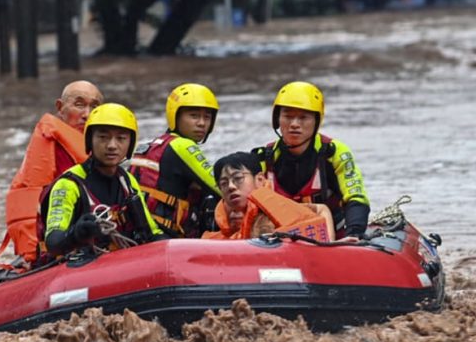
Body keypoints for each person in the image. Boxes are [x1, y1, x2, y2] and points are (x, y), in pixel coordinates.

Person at [0, 80, 104, 268]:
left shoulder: (108, 149)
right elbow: (33, 204)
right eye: (79, 105)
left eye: (94, 107)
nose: (87, 114)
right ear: (60, 108)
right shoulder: (49, 145)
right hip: (58, 245)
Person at [42, 103, 164, 256]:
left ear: (130, 143)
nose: (112, 145)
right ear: (90, 140)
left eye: (121, 138)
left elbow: (152, 232)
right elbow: (53, 242)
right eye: (103, 137)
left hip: (122, 263)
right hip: (79, 268)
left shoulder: (127, 181)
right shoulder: (68, 185)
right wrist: (76, 233)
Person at [252, 81, 370, 239]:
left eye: (303, 117)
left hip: (332, 239)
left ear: (316, 121)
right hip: (277, 241)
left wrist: (355, 233)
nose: (294, 124)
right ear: (277, 119)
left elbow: (356, 196)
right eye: (288, 116)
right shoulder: (263, 158)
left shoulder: (334, 153)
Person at [129, 83, 222, 237]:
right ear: (175, 116)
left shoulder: (152, 146)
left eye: (207, 117)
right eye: (194, 116)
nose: (201, 123)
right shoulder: (182, 146)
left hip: (139, 234)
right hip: (167, 239)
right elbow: (220, 187)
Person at [203, 151, 334, 241]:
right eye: (224, 183)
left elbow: (321, 210)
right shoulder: (221, 225)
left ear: (259, 180)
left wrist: (329, 245)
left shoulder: (276, 210)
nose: (231, 186)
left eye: (238, 178)